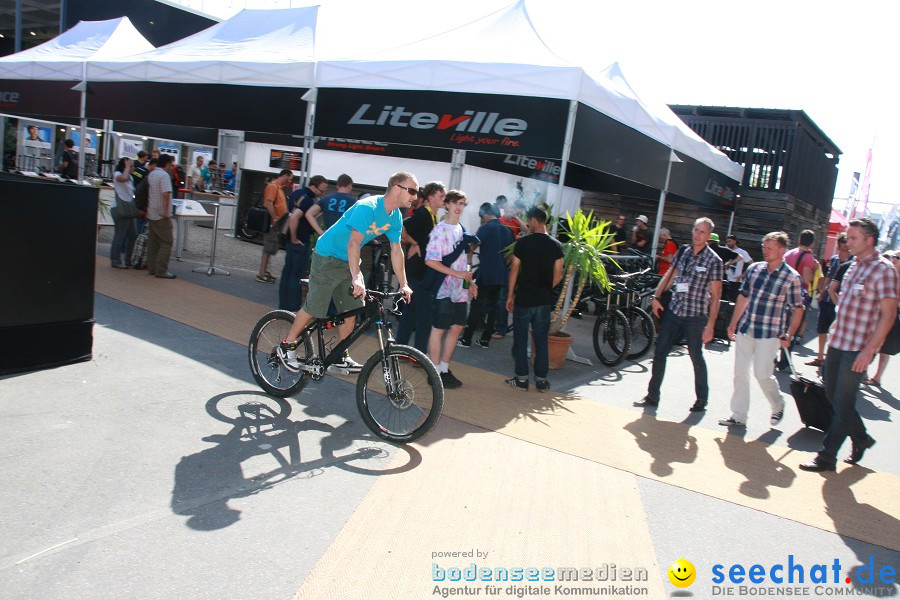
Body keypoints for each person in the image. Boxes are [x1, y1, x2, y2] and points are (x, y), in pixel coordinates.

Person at [277, 172, 417, 374]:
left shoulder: (395, 216)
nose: (414, 196)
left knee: (352, 310)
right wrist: (357, 276)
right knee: (315, 308)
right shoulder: (367, 207)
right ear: (396, 188)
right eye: (411, 191)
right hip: (328, 257)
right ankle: (287, 345)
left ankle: (340, 355)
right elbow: (354, 243)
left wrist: (404, 283)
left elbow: (396, 249)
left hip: (348, 261)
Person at [799, 219, 898, 471]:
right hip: (837, 343)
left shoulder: (884, 270)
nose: (847, 242)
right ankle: (862, 438)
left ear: (869, 240)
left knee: (842, 403)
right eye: (847, 237)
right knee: (834, 398)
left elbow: (888, 315)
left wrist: (869, 350)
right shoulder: (851, 266)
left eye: (853, 238)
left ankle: (826, 456)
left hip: (858, 349)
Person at [635, 217, 723, 411]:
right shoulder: (683, 251)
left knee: (695, 356)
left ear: (708, 236)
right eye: (695, 230)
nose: (697, 234)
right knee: (659, 352)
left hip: (696, 315)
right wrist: (656, 296)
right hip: (675, 310)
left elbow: (716, 296)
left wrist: (711, 325)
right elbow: (670, 275)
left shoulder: (714, 261)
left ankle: (701, 399)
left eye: (702, 232)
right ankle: (652, 396)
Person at [718, 232, 804, 427]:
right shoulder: (755, 269)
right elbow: (743, 297)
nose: (765, 251)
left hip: (770, 333)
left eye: (770, 248)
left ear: (782, 250)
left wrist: (790, 334)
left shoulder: (792, 277)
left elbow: (798, 309)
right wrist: (733, 323)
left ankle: (778, 403)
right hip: (746, 328)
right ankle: (739, 414)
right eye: (764, 247)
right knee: (740, 372)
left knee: (762, 374)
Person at [505, 206, 564, 392]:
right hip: (543, 301)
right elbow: (558, 275)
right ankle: (541, 379)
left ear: (533, 221)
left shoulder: (523, 243)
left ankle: (522, 379)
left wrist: (510, 295)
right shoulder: (556, 245)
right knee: (541, 341)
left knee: (521, 340)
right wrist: (546, 288)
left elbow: (514, 269)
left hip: (523, 299)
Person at [424, 190, 476, 389]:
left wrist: (470, 283)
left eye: (462, 203)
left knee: (456, 327)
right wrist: (458, 275)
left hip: (458, 289)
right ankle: (434, 371)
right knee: (439, 328)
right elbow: (430, 261)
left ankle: (444, 369)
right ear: (447, 204)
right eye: (455, 202)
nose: (459, 207)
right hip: (443, 288)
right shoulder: (439, 230)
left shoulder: (461, 229)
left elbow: (463, 262)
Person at [396, 181, 446, 354]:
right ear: (431, 197)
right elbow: (401, 228)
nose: (444, 199)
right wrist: (414, 242)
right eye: (441, 196)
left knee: (411, 312)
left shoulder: (433, 216)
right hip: (417, 271)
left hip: (420, 271)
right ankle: (419, 353)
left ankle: (400, 349)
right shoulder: (424, 213)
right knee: (425, 314)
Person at [459, 202, 514, 348]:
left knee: (477, 304)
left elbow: (472, 246)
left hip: (486, 273)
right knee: (493, 307)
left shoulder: (486, 228)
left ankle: (466, 338)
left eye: (481, 217)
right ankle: (485, 340)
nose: (481, 220)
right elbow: (510, 256)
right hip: (501, 275)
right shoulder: (507, 231)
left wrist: (469, 264)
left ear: (486, 214)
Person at [808, 233, 850, 367]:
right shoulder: (834, 259)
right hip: (827, 299)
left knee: (837, 333)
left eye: (846, 241)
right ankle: (820, 357)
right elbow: (828, 276)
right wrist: (821, 291)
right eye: (843, 241)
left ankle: (830, 361)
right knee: (822, 329)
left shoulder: (853, 261)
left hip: (840, 300)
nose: (845, 244)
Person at [278, 178, 319, 312]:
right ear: (313, 187)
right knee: (297, 275)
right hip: (300, 240)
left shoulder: (297, 193)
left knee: (287, 272)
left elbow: (291, 214)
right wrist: (295, 238)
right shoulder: (307, 199)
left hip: (290, 239)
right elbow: (294, 217)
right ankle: (293, 306)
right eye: (321, 190)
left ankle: (283, 304)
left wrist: (290, 237)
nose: (322, 193)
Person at [863, 249, 900, 387]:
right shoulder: (886, 273)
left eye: (898, 257)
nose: (894, 259)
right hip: (877, 313)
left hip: (892, 316)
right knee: (871, 343)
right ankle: (863, 371)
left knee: (886, 349)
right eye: (893, 256)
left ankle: (877, 377)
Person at [256, 169, 293, 284]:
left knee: (270, 246)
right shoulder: (273, 186)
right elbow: (268, 203)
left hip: (277, 222)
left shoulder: (278, 187)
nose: (290, 181)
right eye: (290, 178)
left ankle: (264, 271)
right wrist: (275, 218)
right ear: (285, 175)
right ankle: (261, 273)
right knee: (268, 247)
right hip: (273, 222)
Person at [145, 154, 177, 279]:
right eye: (171, 164)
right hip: (160, 214)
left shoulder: (152, 174)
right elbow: (165, 194)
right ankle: (161, 270)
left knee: (153, 242)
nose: (171, 167)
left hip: (151, 212)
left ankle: (151, 267)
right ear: (167, 164)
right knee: (167, 241)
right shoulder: (164, 176)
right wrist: (166, 212)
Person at [110, 157, 137, 269]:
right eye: (131, 166)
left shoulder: (131, 178)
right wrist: (126, 167)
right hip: (119, 208)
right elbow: (123, 178)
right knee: (120, 235)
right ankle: (115, 260)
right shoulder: (118, 174)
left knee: (133, 234)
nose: (133, 168)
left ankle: (128, 259)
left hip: (128, 208)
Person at [723, 234, 752, 301]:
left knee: (733, 301)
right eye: (727, 242)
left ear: (735, 241)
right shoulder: (725, 250)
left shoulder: (742, 252)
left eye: (729, 241)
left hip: (736, 281)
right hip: (726, 280)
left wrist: (742, 276)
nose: (728, 243)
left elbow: (751, 264)